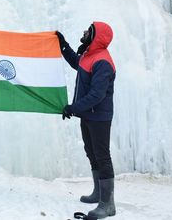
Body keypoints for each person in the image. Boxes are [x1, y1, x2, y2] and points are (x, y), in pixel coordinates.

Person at [57, 22, 116, 219]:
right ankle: (98, 193)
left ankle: (108, 204)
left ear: (96, 36)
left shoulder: (103, 62)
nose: (84, 31)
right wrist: (62, 44)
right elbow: (76, 62)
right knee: (91, 152)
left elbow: (97, 95)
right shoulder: (89, 55)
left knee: (102, 155)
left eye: (88, 30)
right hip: (88, 115)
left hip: (99, 117)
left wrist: (73, 108)